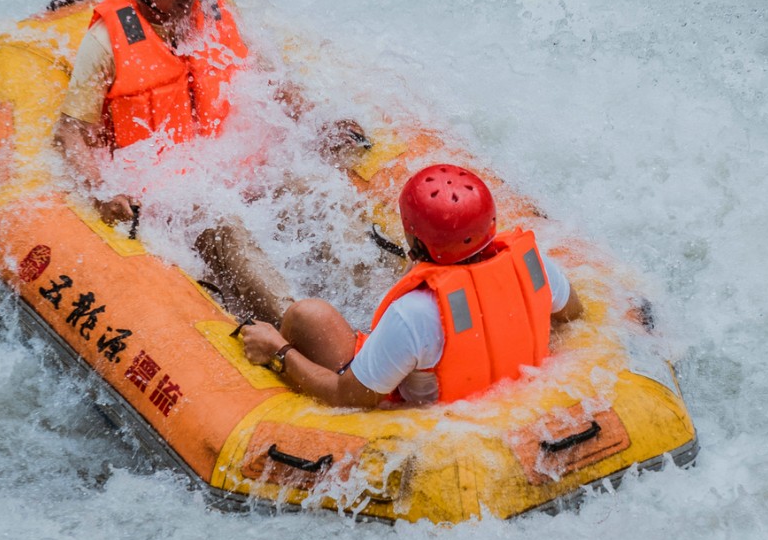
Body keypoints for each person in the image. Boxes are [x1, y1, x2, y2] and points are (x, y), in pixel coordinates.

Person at [54, 0, 301, 324]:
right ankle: (295, 327)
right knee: (220, 225)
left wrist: (315, 119)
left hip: (226, 159)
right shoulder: (106, 41)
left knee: (300, 186)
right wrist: (101, 193)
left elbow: (267, 77)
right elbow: (70, 133)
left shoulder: (216, 10)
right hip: (164, 182)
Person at [239, 164, 584, 409]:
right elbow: (572, 314)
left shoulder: (415, 313)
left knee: (306, 316)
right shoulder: (533, 263)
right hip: (486, 386)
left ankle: (260, 330)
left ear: (415, 240)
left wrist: (278, 352)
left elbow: (346, 397)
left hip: (404, 404)